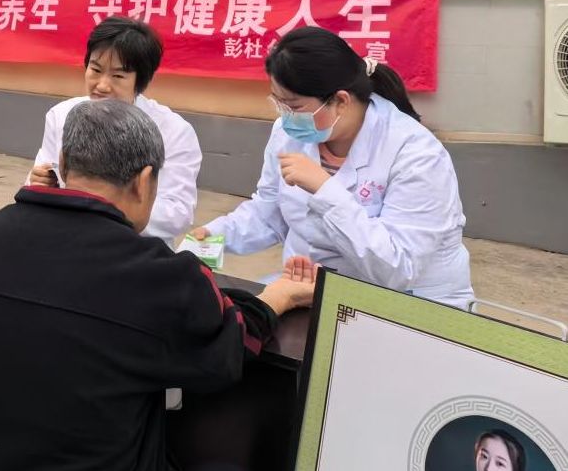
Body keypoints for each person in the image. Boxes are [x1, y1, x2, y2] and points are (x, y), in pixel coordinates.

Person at [0, 99, 315, 471]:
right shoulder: (157, 275)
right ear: (144, 182)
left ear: (62, 163)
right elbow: (228, 347)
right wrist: (278, 297)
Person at [192, 26, 473, 306]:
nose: (286, 118)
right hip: (311, 289)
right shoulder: (288, 134)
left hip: (408, 302)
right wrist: (218, 234)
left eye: (294, 107)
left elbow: (398, 269)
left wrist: (326, 190)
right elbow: (270, 211)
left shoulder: (416, 154)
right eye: (279, 104)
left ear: (340, 101)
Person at [28, 16, 202, 246]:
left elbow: (177, 214)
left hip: (136, 248)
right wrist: (38, 183)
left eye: (118, 76)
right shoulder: (61, 115)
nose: (102, 85)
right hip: (67, 239)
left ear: (141, 81)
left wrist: (102, 205)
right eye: (95, 69)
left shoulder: (175, 132)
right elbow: (39, 177)